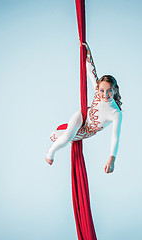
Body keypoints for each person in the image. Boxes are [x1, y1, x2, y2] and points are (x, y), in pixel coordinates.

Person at [45, 43, 122, 174]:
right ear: (99, 89)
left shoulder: (116, 113)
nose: (105, 95)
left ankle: (65, 135)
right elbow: (92, 72)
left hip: (88, 130)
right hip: (83, 114)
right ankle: (50, 153)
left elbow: (115, 137)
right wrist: (87, 51)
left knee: (55, 136)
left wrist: (112, 160)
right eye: (102, 90)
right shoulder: (98, 92)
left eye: (109, 91)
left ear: (114, 90)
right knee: (65, 137)